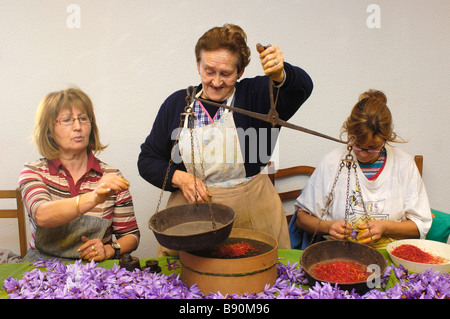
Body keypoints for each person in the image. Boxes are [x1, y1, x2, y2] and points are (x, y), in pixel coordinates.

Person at [138, 24, 313, 255]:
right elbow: (148, 160)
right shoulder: (176, 104)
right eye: (209, 71)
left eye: (226, 73)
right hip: (193, 215)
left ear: (240, 72)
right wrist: (178, 178)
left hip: (254, 211)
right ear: (198, 65)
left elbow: (302, 88)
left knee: (259, 282)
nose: (217, 82)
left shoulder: (258, 95)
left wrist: (281, 74)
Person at [290, 89, 432, 249]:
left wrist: (385, 228)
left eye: (372, 148)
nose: (363, 154)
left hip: (389, 257)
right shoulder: (332, 162)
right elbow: (302, 220)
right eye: (357, 145)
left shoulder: (404, 164)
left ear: (386, 138)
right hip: (338, 253)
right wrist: (329, 227)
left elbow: (420, 224)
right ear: (349, 133)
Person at [19, 88, 140, 262]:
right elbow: (42, 215)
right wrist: (94, 197)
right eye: (67, 120)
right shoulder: (34, 172)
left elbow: (131, 236)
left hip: (94, 272)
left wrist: (109, 249)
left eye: (83, 119)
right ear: (49, 130)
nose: (78, 127)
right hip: (41, 268)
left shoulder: (111, 175)